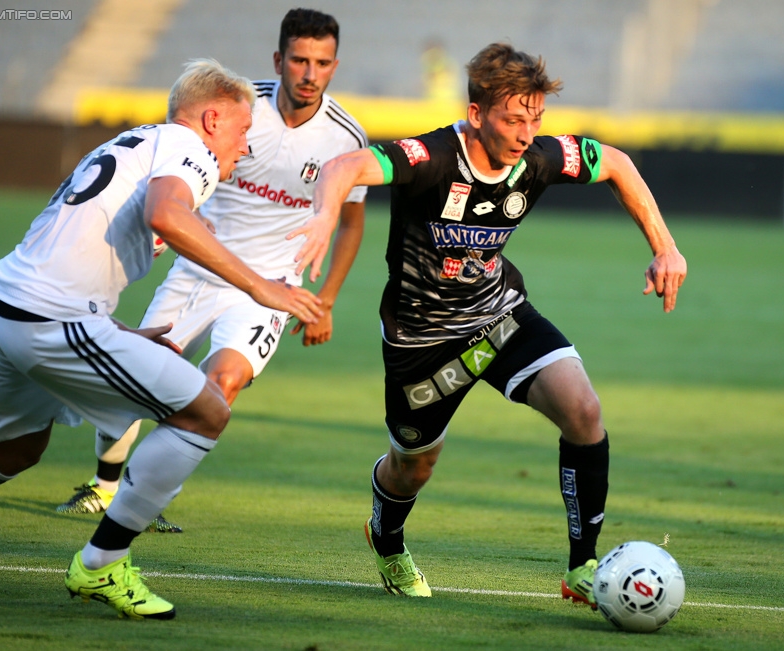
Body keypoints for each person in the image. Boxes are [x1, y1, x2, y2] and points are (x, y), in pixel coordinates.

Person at [291, 43, 687, 604]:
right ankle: (387, 537)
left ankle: (583, 566)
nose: (526, 134)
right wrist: (326, 213)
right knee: (413, 467)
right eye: (513, 119)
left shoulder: (540, 158)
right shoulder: (430, 156)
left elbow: (616, 163)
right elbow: (344, 166)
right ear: (477, 114)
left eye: (536, 119)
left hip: (497, 315)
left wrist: (665, 247)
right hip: (422, 342)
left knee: (584, 411)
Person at [0, 58, 323, 620]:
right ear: (212, 119)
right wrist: (263, 287)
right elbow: (168, 214)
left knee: (14, 450)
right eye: (243, 132)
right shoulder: (188, 150)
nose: (246, 147)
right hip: (49, 321)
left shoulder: (135, 143)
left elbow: (63, 248)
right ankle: (102, 564)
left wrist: (111, 329)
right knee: (207, 412)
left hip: (6, 305)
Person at [54, 8, 367, 533]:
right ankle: (105, 483)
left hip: (268, 291)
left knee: (220, 386)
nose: (309, 74)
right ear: (279, 59)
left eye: (322, 62)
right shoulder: (238, 110)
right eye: (299, 60)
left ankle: (141, 497)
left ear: (335, 66)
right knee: (139, 380)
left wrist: (326, 300)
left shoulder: (346, 138)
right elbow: (179, 177)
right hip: (197, 271)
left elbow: (351, 223)